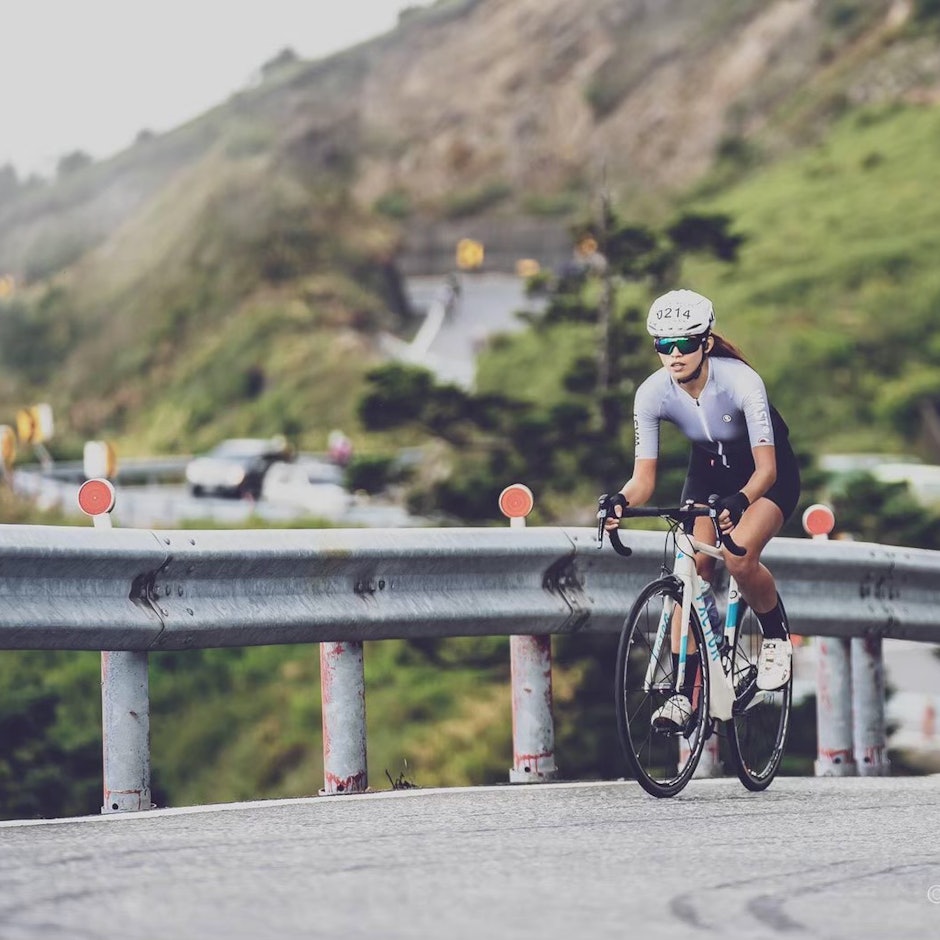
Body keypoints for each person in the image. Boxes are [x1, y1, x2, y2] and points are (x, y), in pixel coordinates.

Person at [605, 288, 801, 731]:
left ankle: (775, 639)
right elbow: (643, 479)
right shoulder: (651, 394)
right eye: (662, 345)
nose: (673, 356)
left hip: (766, 477)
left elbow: (767, 469)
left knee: (737, 554)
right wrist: (621, 499)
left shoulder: (741, 382)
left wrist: (741, 501)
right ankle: (682, 694)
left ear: (705, 343)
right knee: (689, 570)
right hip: (709, 475)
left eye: (684, 344)